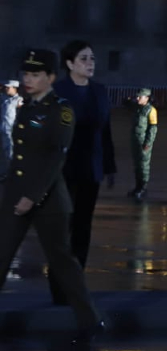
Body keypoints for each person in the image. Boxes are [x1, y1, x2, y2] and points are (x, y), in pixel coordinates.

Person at [0, 50, 104, 342]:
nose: (27, 79)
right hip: (16, 195)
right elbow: (20, 155)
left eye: (35, 75)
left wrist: (32, 196)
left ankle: (91, 320)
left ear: (51, 78)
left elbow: (54, 158)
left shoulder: (61, 109)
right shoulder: (26, 107)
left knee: (62, 262)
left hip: (48, 201)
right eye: (26, 74)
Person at [49, 40, 116, 307]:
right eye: (84, 59)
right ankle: (58, 288)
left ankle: (76, 285)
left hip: (91, 168)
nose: (90, 63)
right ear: (69, 64)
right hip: (62, 169)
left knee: (83, 228)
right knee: (62, 229)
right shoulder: (57, 91)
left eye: (92, 59)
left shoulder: (99, 91)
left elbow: (106, 131)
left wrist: (109, 166)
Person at [128, 87, 158, 202]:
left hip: (144, 142)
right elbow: (126, 103)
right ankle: (137, 186)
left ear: (147, 98)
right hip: (135, 140)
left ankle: (143, 188)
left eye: (140, 96)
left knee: (143, 166)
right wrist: (129, 99)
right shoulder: (137, 108)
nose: (138, 98)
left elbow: (153, 129)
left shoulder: (151, 110)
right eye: (137, 96)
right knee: (137, 165)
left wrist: (148, 143)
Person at [1, 79, 21, 180]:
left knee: (11, 153)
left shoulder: (19, 100)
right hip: (4, 130)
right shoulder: (6, 99)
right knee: (6, 152)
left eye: (8, 88)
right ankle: (9, 173)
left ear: (14, 88)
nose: (6, 89)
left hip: (12, 130)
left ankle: (14, 176)